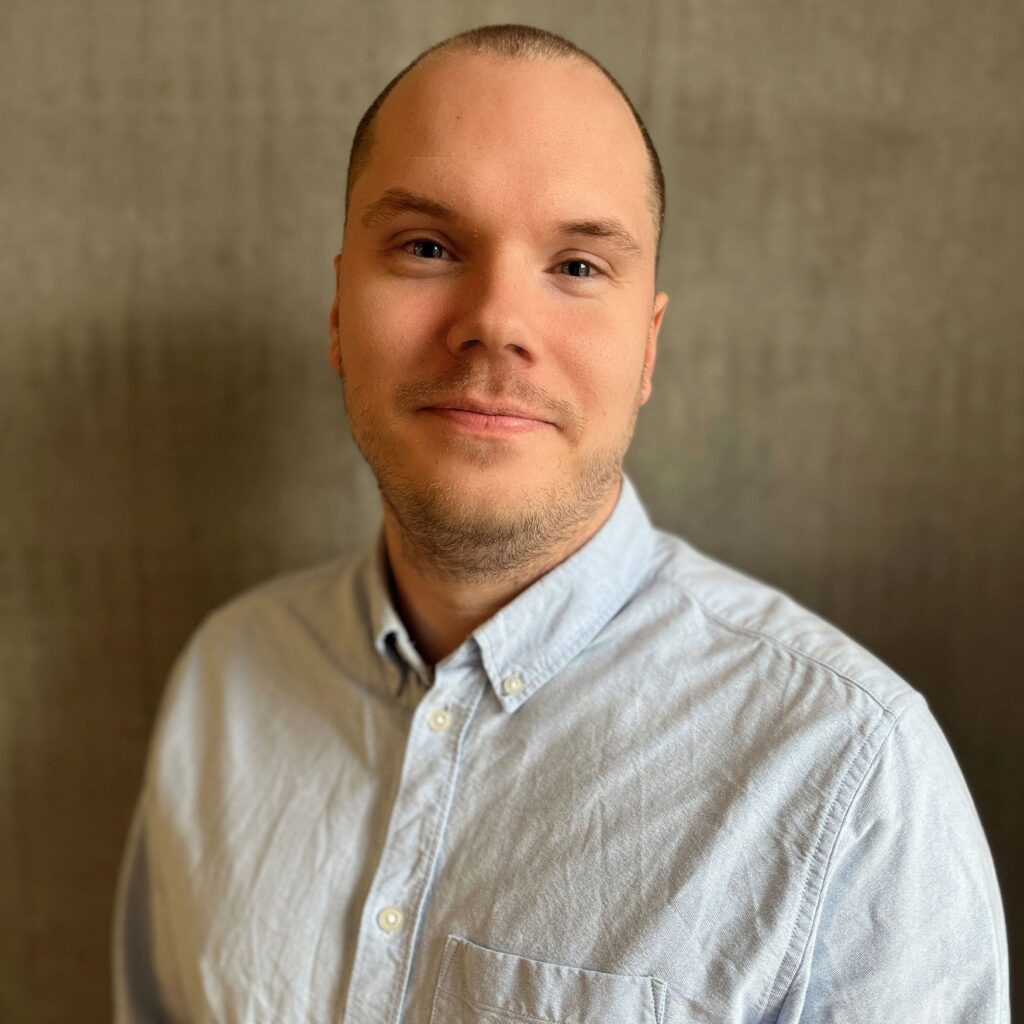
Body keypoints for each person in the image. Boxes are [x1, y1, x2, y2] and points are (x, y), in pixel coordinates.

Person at [113, 24, 1009, 1024]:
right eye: (426, 247)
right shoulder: (222, 684)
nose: (496, 322)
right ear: (336, 314)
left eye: (578, 266)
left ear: (647, 350)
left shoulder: (848, 771)